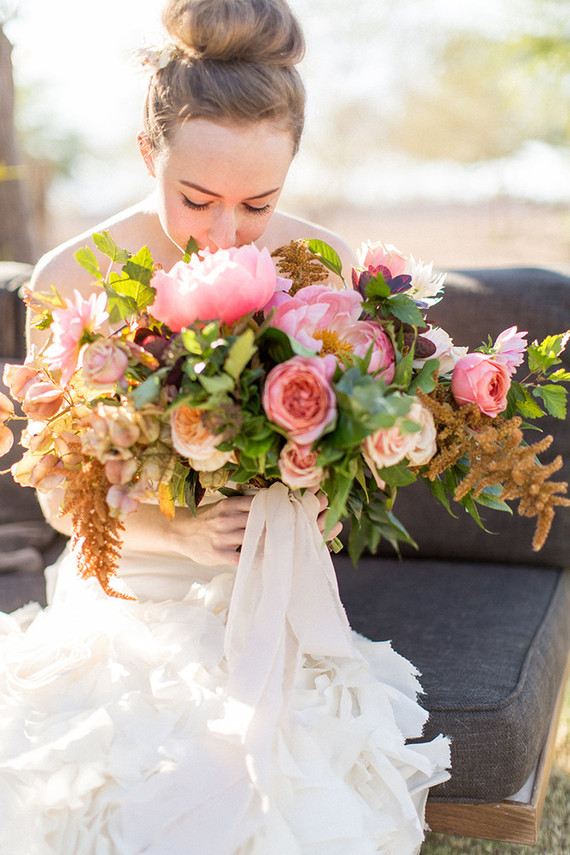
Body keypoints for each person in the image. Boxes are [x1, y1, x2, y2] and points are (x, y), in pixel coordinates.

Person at [0, 2, 449, 853]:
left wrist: (326, 484)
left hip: (269, 585)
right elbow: (60, 493)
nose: (225, 234)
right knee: (124, 782)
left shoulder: (318, 264)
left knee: (282, 782)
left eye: (258, 202)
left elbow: (352, 458)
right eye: (196, 198)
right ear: (147, 153)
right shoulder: (70, 275)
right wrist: (177, 528)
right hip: (128, 582)